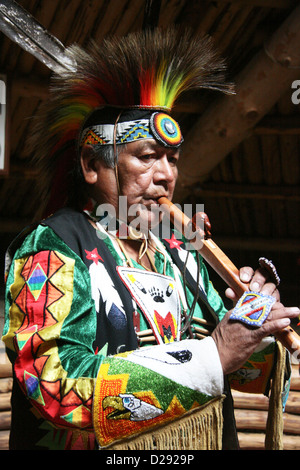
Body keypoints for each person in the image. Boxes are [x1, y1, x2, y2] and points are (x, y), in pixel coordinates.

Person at [2, 28, 299, 451]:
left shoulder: (182, 255)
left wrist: (256, 327)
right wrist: (210, 357)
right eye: (146, 156)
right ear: (91, 165)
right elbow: (54, 386)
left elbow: (242, 371)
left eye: (172, 159)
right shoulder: (51, 247)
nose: (166, 175)